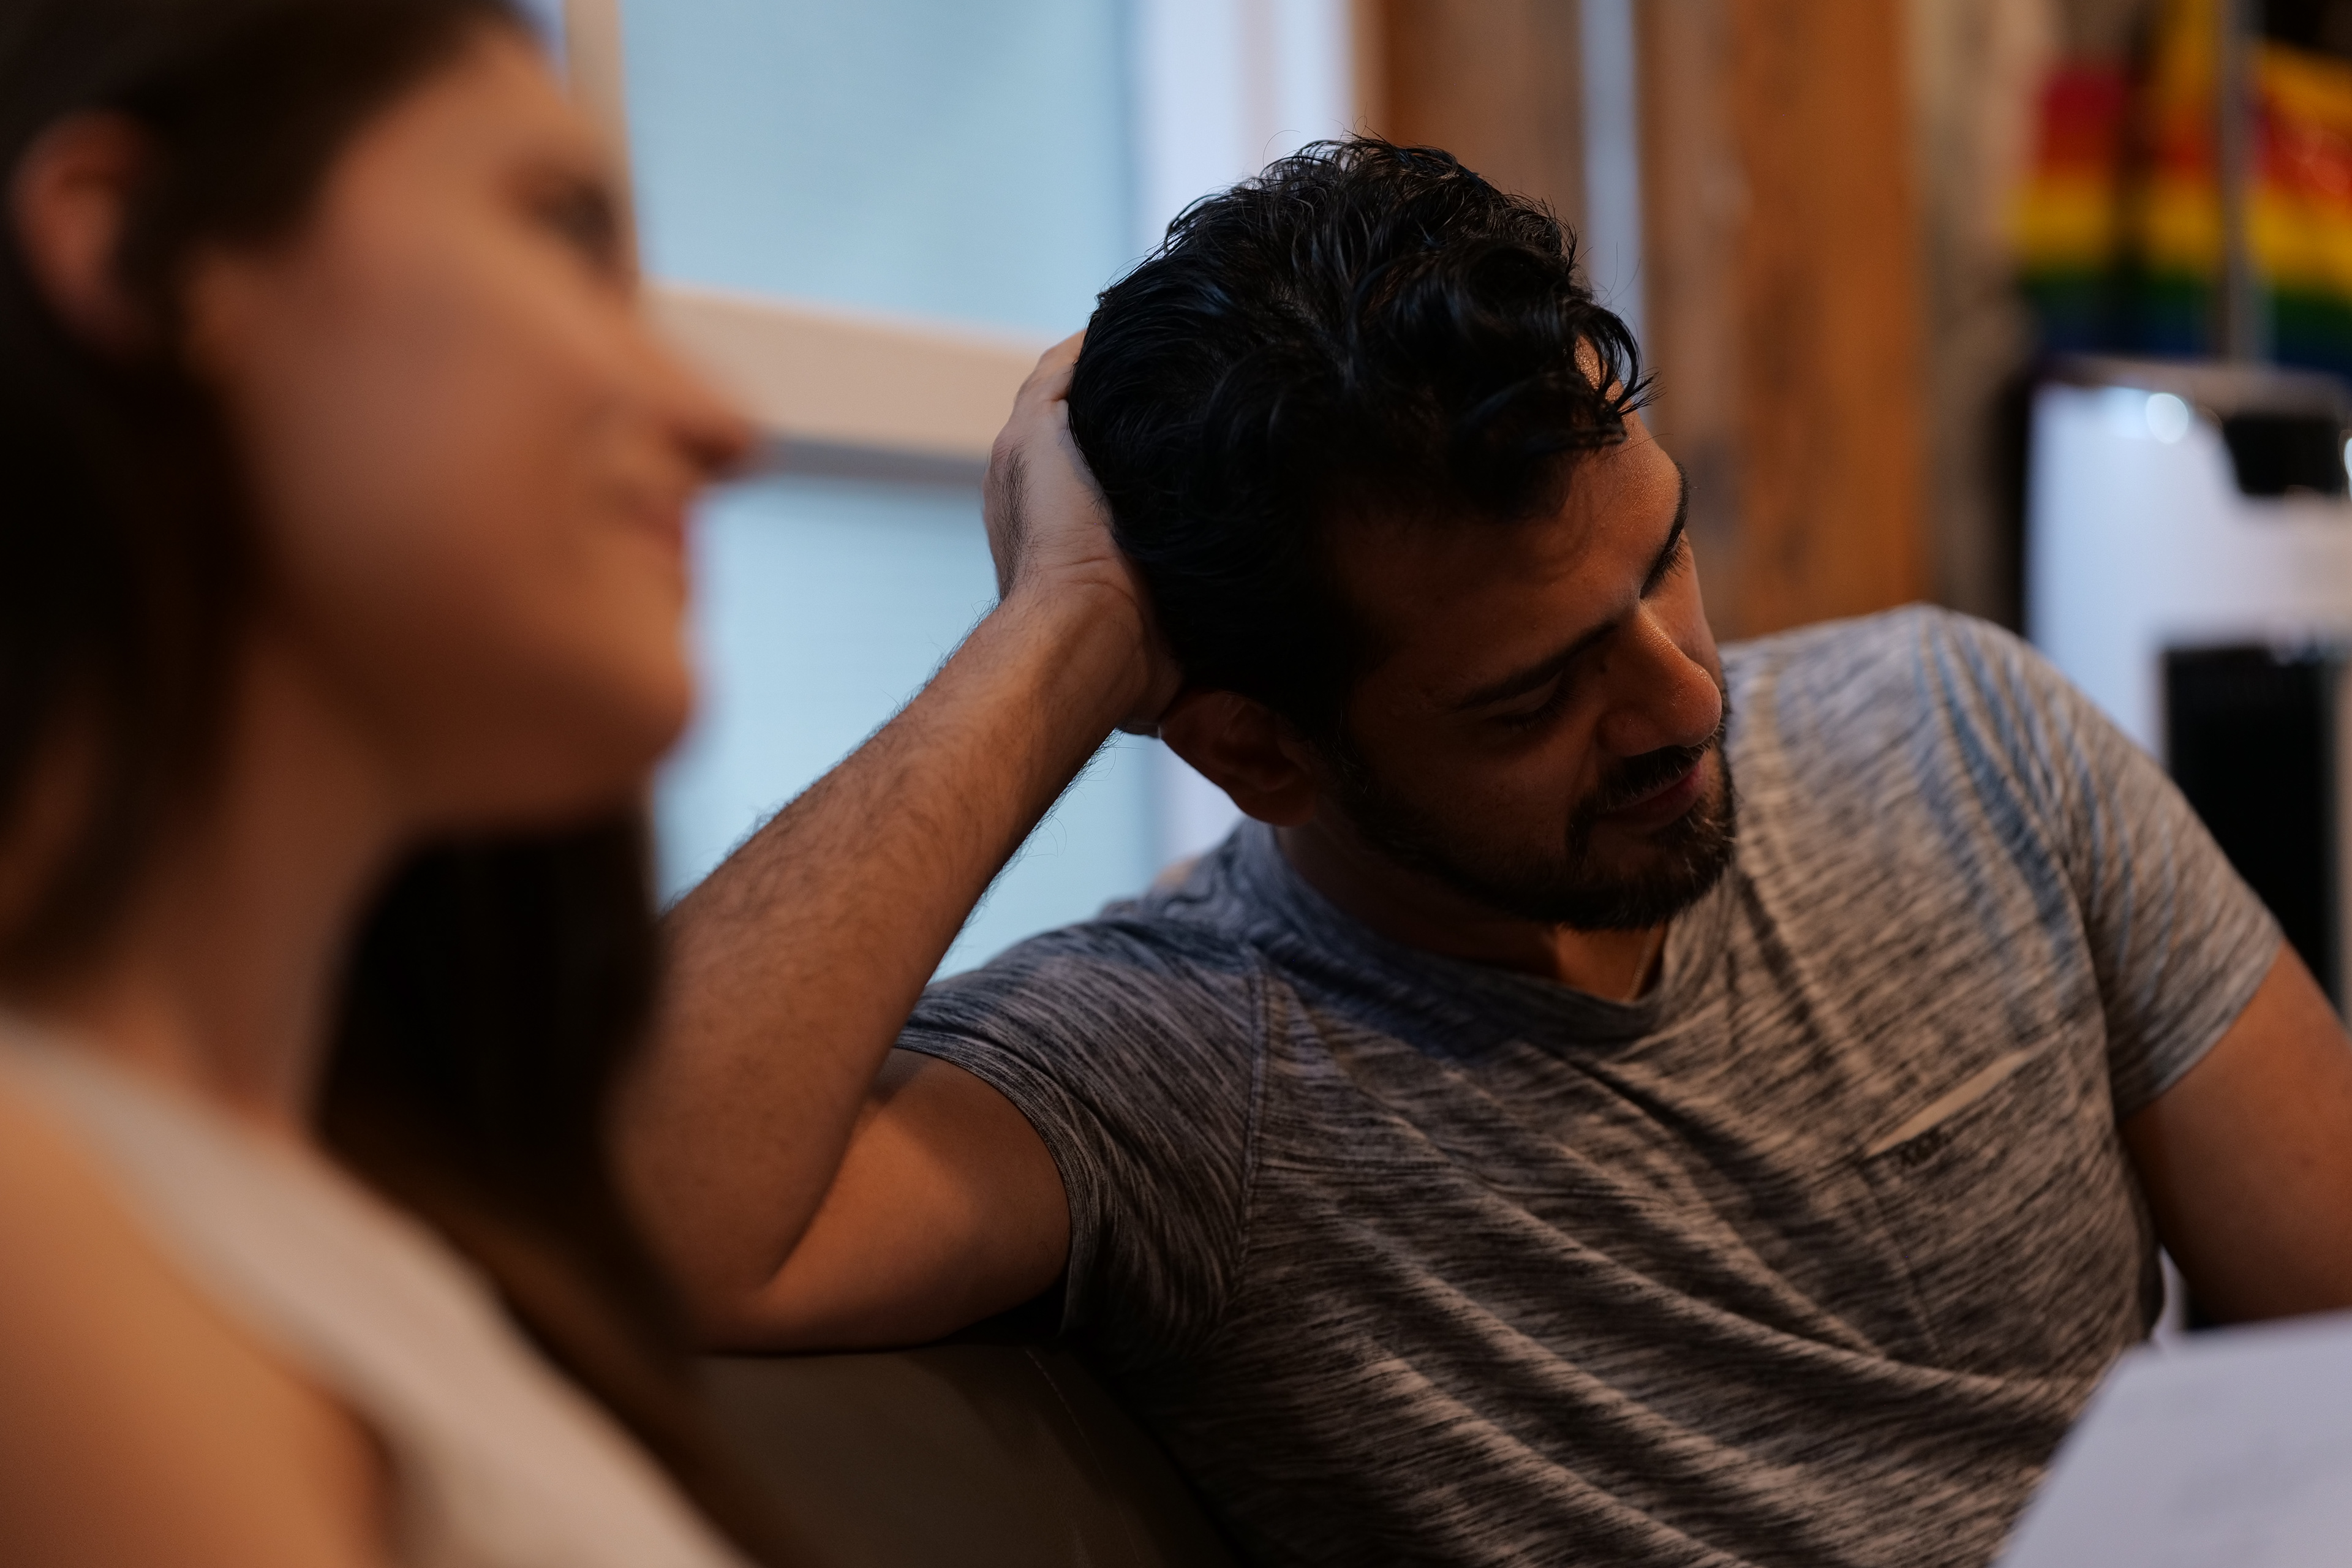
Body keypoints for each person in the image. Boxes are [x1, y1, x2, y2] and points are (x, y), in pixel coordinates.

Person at [624, 140, 2352, 1567]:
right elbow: (629, 1213)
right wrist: (1062, 636)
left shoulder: (1969, 735)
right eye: (1534, 695)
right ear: (1255, 748)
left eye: (1663, 561)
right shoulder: (1176, 1080)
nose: (1685, 703)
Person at [0, 1, 819, 1562]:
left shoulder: (356, 1215)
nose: (723, 424)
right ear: (143, 250)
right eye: (564, 225)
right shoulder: (40, 1226)